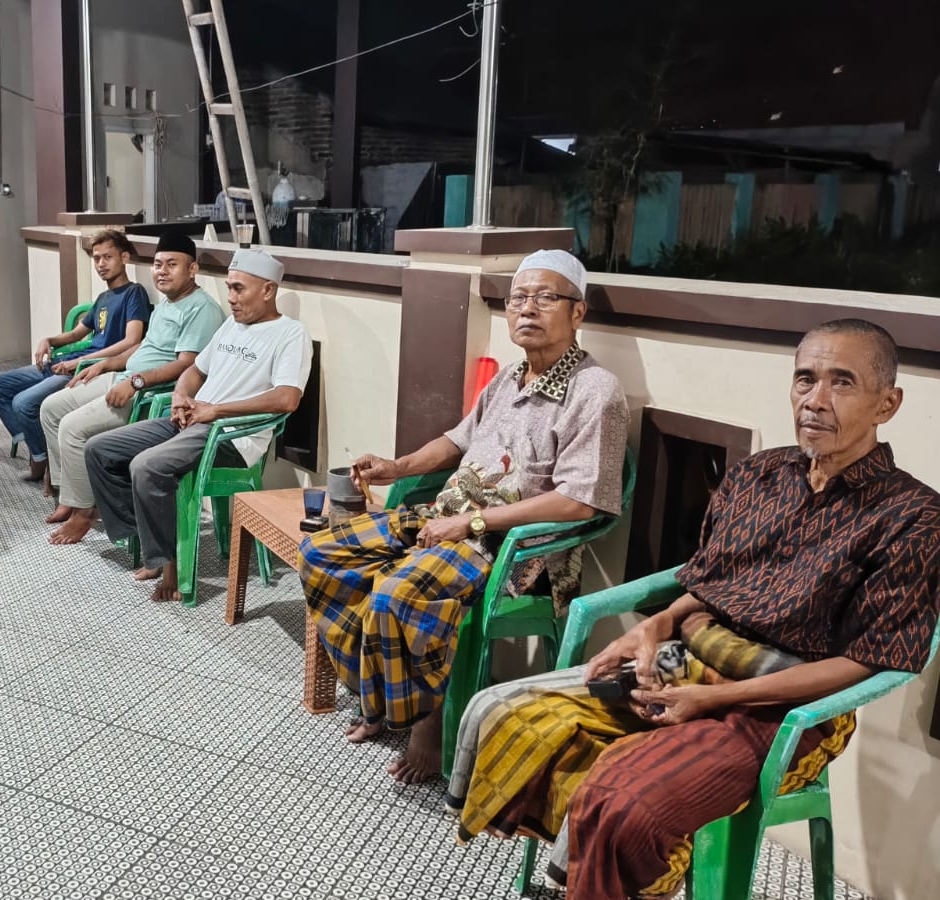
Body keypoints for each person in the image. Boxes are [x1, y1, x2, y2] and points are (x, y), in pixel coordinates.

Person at [447, 319, 940, 900]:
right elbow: (709, 580)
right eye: (805, 379)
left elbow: (867, 661)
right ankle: (584, 874)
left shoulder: (913, 517)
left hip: (788, 706)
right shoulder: (758, 475)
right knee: (506, 713)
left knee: (623, 805)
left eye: (843, 382)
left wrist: (713, 700)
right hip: (689, 660)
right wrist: (653, 628)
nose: (815, 399)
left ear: (888, 404)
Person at [300, 249, 628, 784]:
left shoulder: (595, 391)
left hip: (510, 549)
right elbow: (458, 441)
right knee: (322, 553)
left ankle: (426, 722)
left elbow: (580, 501)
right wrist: (397, 466)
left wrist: (470, 524)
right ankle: (379, 696)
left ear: (577, 312)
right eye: (518, 298)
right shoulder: (509, 378)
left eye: (545, 298)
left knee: (394, 593)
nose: (527, 308)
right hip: (445, 518)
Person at [86, 248, 311, 602]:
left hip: (230, 437)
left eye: (238, 289)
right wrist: (180, 396)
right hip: (194, 420)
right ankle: (146, 539)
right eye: (229, 288)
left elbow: (287, 399)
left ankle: (169, 565)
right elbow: (194, 370)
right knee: (100, 449)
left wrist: (216, 411)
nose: (230, 298)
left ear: (268, 290)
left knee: (146, 466)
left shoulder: (290, 334)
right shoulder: (231, 325)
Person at [40, 230, 224, 544]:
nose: (162, 271)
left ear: (192, 269)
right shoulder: (167, 302)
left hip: (146, 393)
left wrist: (136, 382)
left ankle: (83, 512)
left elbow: (187, 365)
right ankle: (71, 494)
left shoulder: (201, 309)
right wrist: (106, 364)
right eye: (158, 264)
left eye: (172, 264)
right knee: (50, 408)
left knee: (71, 427)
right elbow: (143, 348)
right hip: (124, 377)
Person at [0, 229, 150, 487]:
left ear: (124, 257)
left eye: (108, 257)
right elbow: (76, 334)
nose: (101, 264)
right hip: (68, 362)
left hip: (87, 369)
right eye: (96, 258)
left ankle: (41, 460)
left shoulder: (134, 293)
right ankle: (39, 449)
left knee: (23, 403)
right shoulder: (103, 298)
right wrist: (48, 340)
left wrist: (82, 362)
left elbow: (131, 341)